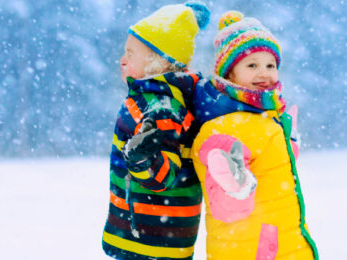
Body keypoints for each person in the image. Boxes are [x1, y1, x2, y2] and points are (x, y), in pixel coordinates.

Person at [191, 11, 319, 259]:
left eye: (270, 65)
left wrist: (289, 142)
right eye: (252, 65)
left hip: (285, 243)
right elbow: (225, 209)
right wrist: (235, 186)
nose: (264, 73)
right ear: (229, 74)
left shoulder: (264, 119)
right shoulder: (223, 126)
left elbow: (268, 165)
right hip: (254, 250)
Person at [102, 2, 210, 260]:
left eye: (131, 53)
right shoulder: (156, 100)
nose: (122, 59)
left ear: (159, 62)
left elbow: (162, 177)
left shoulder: (162, 108)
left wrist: (142, 159)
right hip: (153, 236)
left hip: (151, 242)